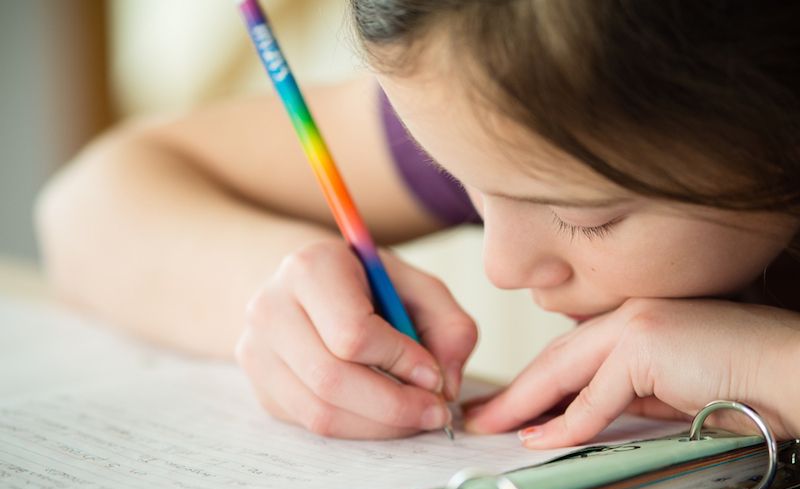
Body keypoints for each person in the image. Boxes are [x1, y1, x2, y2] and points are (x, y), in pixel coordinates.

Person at [36, 0, 800, 447]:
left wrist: (774, 367)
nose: (499, 263)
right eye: (455, 179)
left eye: (585, 219)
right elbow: (86, 205)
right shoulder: (495, 65)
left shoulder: (601, 66)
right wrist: (295, 295)